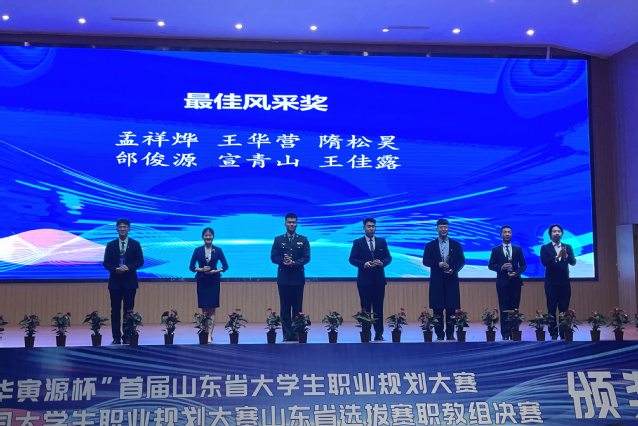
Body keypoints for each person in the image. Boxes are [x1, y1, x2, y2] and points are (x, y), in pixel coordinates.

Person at [349, 217, 393, 341]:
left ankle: (379, 333)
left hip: (379, 281)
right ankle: (366, 333)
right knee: (365, 308)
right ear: (364, 228)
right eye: (369, 226)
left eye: (373, 226)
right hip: (364, 281)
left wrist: (382, 263)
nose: (371, 228)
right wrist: (364, 264)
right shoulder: (358, 242)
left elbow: (388, 258)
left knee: (378, 308)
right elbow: (352, 259)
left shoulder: (381, 242)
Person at [422, 219, 466, 340]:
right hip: (436, 280)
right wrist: (438, 264)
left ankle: (450, 333)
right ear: (437, 229)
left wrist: (453, 269)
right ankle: (439, 334)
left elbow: (461, 261)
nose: (443, 229)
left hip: (451, 279)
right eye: (441, 227)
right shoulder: (430, 245)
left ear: (448, 228)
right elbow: (425, 261)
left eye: (445, 227)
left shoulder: (456, 245)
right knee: (437, 308)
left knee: (451, 308)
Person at [103, 218, 144, 345]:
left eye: (125, 227)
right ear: (116, 229)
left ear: (129, 229)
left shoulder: (135, 244)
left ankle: (127, 336)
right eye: (120, 227)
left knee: (128, 311)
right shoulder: (111, 244)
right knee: (115, 311)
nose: (122, 229)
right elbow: (106, 263)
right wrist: (115, 269)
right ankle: (116, 337)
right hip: (115, 283)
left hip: (130, 282)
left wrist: (129, 267)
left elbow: (140, 261)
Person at [271, 212, 310, 341]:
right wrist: (283, 260)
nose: (291, 224)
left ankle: (296, 334)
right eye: (289, 222)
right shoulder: (278, 240)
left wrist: (295, 263)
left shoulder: (303, 240)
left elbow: (306, 258)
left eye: (294, 222)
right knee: (285, 308)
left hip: (298, 279)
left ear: (297, 224)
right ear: (285, 224)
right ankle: (287, 336)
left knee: (297, 308)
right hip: (284, 279)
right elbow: (273, 257)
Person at [189, 227, 229, 341]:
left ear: (213, 237)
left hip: (213, 281)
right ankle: (205, 331)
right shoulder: (197, 250)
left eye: (210, 235)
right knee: (204, 309)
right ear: (202, 237)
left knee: (212, 309)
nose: (208, 237)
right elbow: (191, 267)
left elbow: (225, 266)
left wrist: (216, 271)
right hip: (202, 281)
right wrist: (201, 269)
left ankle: (209, 335)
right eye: (206, 235)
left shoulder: (218, 250)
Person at [488, 226, 527, 340]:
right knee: (504, 308)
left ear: (512, 234)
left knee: (515, 308)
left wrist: (516, 273)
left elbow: (523, 265)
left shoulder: (518, 249)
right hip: (502, 283)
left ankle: (514, 332)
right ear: (501, 234)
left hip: (515, 282)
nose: (507, 234)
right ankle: (505, 334)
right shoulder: (496, 250)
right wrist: (501, 267)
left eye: (509, 232)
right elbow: (491, 265)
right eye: (504, 232)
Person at [540, 224, 576, 340]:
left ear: (562, 234)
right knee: (551, 308)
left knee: (564, 308)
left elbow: (573, 262)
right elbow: (544, 262)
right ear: (550, 234)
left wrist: (566, 256)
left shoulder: (567, 247)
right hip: (551, 283)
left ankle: (563, 332)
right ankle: (553, 333)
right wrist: (556, 257)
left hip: (564, 283)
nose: (557, 233)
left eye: (559, 231)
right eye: (554, 231)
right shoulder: (545, 248)